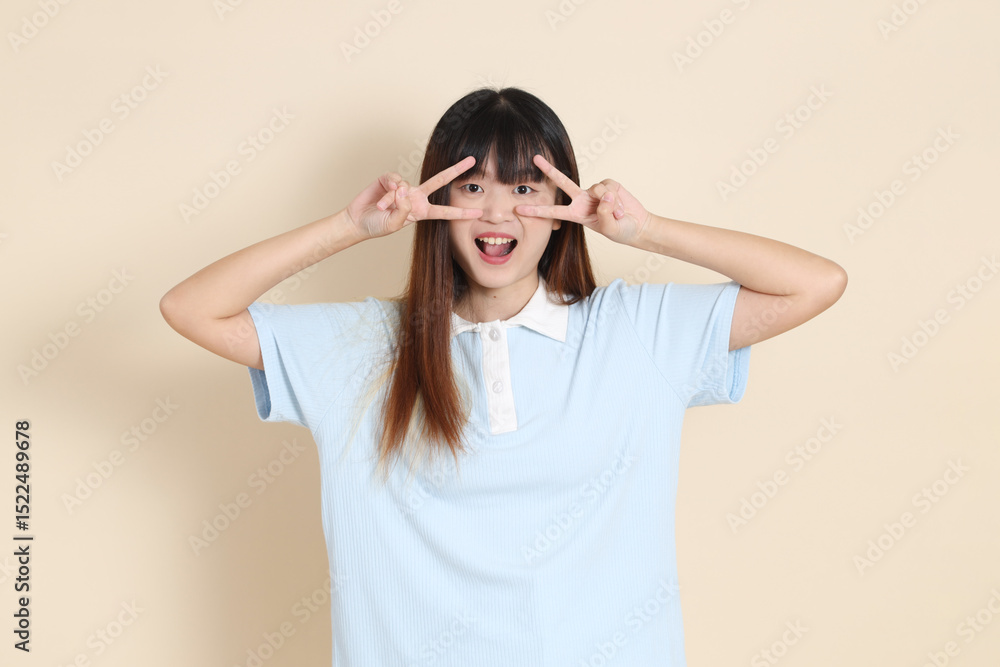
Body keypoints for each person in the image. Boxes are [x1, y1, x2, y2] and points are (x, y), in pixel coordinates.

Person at [160, 86, 847, 666]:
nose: (496, 212)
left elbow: (815, 283)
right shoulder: (367, 347)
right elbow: (190, 308)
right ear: (437, 201)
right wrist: (350, 226)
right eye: (472, 187)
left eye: (525, 188)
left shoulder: (634, 331)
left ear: (563, 204)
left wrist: (646, 231)